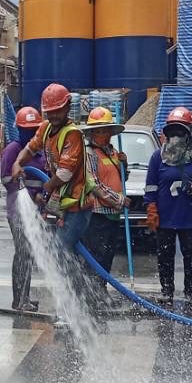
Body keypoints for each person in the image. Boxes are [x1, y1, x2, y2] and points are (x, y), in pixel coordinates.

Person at [143, 106, 192, 306]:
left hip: (189, 216)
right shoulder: (158, 157)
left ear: (189, 132)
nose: (176, 136)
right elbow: (150, 186)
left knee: (191, 255)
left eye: (181, 131)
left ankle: (190, 292)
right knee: (165, 255)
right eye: (173, 131)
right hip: (165, 217)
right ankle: (167, 290)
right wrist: (151, 208)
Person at [9, 84, 90, 253]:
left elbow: (65, 173)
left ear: (67, 106)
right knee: (61, 251)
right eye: (49, 111)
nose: (53, 115)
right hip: (60, 202)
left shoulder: (72, 134)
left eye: (58, 110)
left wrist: (48, 187)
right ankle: (72, 279)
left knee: (60, 250)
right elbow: (30, 149)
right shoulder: (45, 128)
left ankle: (77, 280)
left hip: (77, 205)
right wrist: (18, 163)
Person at [80, 107, 131, 302]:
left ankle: (100, 290)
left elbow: (123, 179)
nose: (104, 134)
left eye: (106, 130)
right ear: (92, 133)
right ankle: (93, 294)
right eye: (99, 131)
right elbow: (93, 184)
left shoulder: (113, 152)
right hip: (97, 214)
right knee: (97, 255)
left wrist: (124, 165)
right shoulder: (89, 154)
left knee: (108, 255)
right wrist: (119, 200)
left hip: (113, 214)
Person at [0, 106, 47, 311]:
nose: (29, 132)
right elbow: (5, 179)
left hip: (36, 209)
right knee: (23, 252)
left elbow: (46, 178)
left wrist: (42, 196)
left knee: (29, 253)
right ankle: (19, 299)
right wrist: (21, 182)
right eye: (25, 128)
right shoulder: (13, 150)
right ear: (18, 128)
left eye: (33, 128)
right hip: (18, 210)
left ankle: (23, 297)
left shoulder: (39, 151)